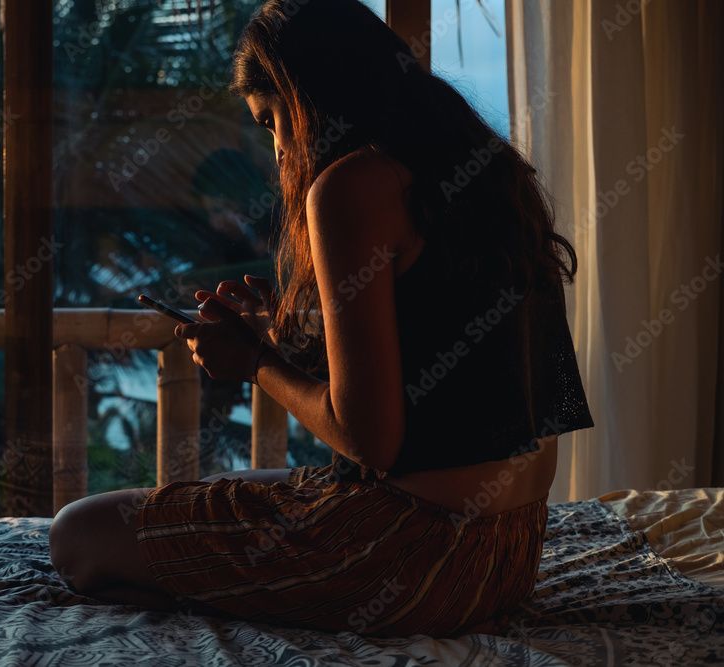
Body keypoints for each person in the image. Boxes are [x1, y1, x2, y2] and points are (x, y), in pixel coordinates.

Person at [50, 0, 594, 638]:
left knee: (77, 536)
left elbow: (372, 441)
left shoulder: (351, 184)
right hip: (509, 551)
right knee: (232, 483)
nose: (278, 146)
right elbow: (454, 387)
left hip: (408, 559)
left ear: (306, 96)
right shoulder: (490, 169)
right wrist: (289, 346)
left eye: (272, 120)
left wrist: (254, 363)